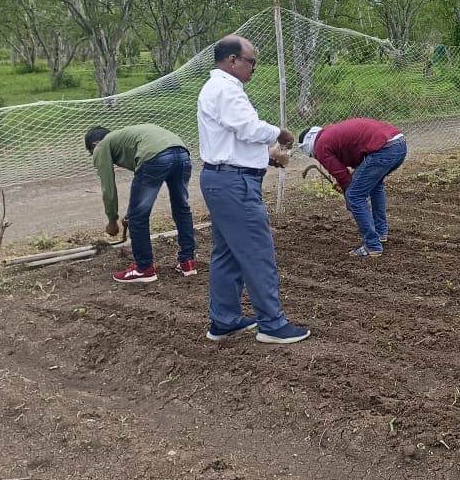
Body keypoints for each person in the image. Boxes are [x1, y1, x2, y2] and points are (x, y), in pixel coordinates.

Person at [197, 35, 310, 344]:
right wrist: (280, 133)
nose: (253, 68)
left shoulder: (218, 88)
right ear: (232, 60)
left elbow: (233, 142)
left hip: (221, 179)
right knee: (257, 252)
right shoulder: (225, 89)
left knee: (227, 254)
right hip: (234, 183)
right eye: (251, 62)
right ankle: (272, 324)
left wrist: (265, 157)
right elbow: (248, 128)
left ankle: (224, 320)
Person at [85, 124, 196, 284]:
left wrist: (112, 220)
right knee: (181, 208)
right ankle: (187, 262)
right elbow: (143, 187)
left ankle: (144, 268)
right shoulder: (125, 137)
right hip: (181, 153)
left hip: (156, 156)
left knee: (138, 217)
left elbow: (108, 188)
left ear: (95, 145)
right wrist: (131, 212)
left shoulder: (102, 146)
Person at [299, 119, 407, 258]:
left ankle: (372, 245)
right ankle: (380, 233)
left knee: (355, 196)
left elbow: (344, 178)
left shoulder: (320, 146)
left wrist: (348, 196)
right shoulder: (329, 135)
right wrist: (347, 181)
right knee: (375, 186)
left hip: (384, 150)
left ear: (308, 146)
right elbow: (358, 166)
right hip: (398, 144)